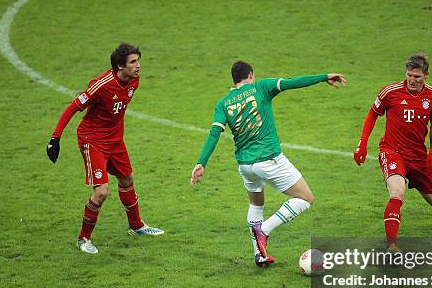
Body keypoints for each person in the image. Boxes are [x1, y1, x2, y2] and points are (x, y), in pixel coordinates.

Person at [190, 61, 346, 266]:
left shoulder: (224, 103)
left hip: (245, 166)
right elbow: (292, 83)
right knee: (306, 198)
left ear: (234, 80)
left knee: (256, 203)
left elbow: (214, 133)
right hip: (269, 159)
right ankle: (264, 230)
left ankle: (259, 254)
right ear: (251, 75)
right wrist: (323, 76)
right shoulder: (261, 87)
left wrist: (202, 162)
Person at [46, 43, 164, 254]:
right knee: (101, 192)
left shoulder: (133, 81)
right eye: (133, 62)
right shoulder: (101, 85)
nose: (138, 66)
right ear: (120, 65)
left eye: (138, 61)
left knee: (127, 179)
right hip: (93, 140)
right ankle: (84, 239)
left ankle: (136, 225)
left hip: (115, 140)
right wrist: (55, 138)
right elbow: (74, 106)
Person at [354, 54, 432, 251]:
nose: (412, 80)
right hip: (392, 151)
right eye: (409, 75)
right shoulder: (390, 92)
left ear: (426, 75)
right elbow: (372, 114)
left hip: (418, 156)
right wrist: (362, 144)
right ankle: (392, 246)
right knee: (397, 192)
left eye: (417, 76)